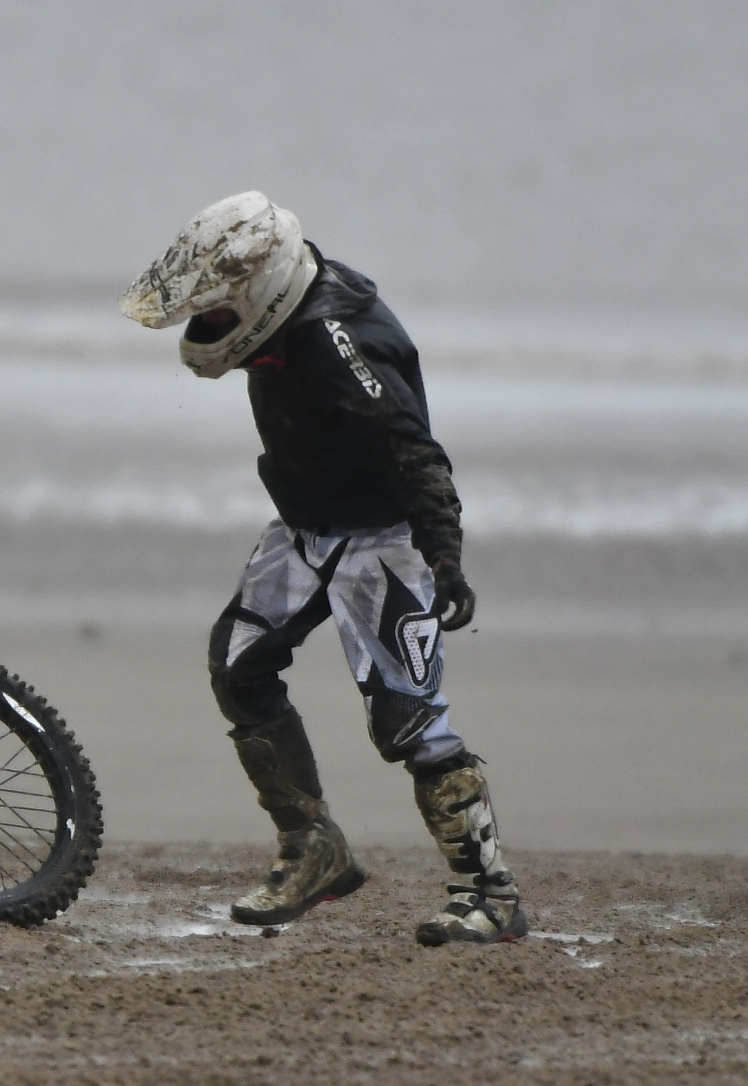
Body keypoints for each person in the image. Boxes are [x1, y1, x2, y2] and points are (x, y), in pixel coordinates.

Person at [119, 191, 524, 946]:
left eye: (212, 315)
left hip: (383, 539)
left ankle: (490, 892)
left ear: (258, 295)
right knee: (238, 667)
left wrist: (444, 556)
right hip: (302, 527)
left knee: (409, 721)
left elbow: (414, 450)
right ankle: (314, 847)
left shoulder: (338, 345)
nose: (205, 331)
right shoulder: (283, 313)